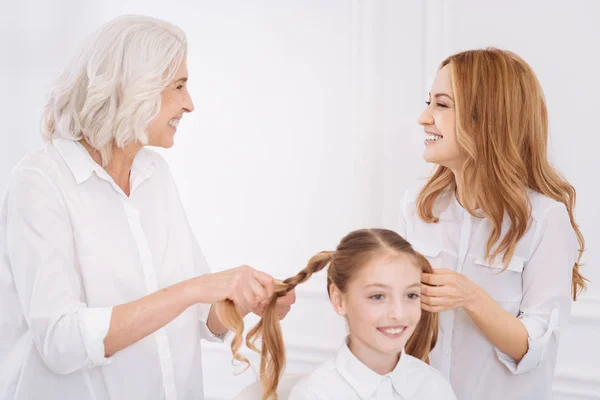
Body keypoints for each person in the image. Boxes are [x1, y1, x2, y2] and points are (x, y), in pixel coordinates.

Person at [0, 15, 294, 400]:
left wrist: (248, 300)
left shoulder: (155, 175)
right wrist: (195, 289)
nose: (189, 104)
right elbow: (62, 342)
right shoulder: (40, 182)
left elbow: (200, 315)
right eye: (179, 86)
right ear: (134, 88)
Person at [398, 48, 586, 399]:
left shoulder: (545, 219)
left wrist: (471, 297)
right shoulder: (417, 206)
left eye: (441, 105)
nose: (424, 117)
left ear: (485, 118)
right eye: (430, 102)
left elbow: (535, 350)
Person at [236, 228, 454, 399]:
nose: (398, 313)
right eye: (378, 296)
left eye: (411, 295)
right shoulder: (315, 394)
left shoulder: (434, 388)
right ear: (339, 300)